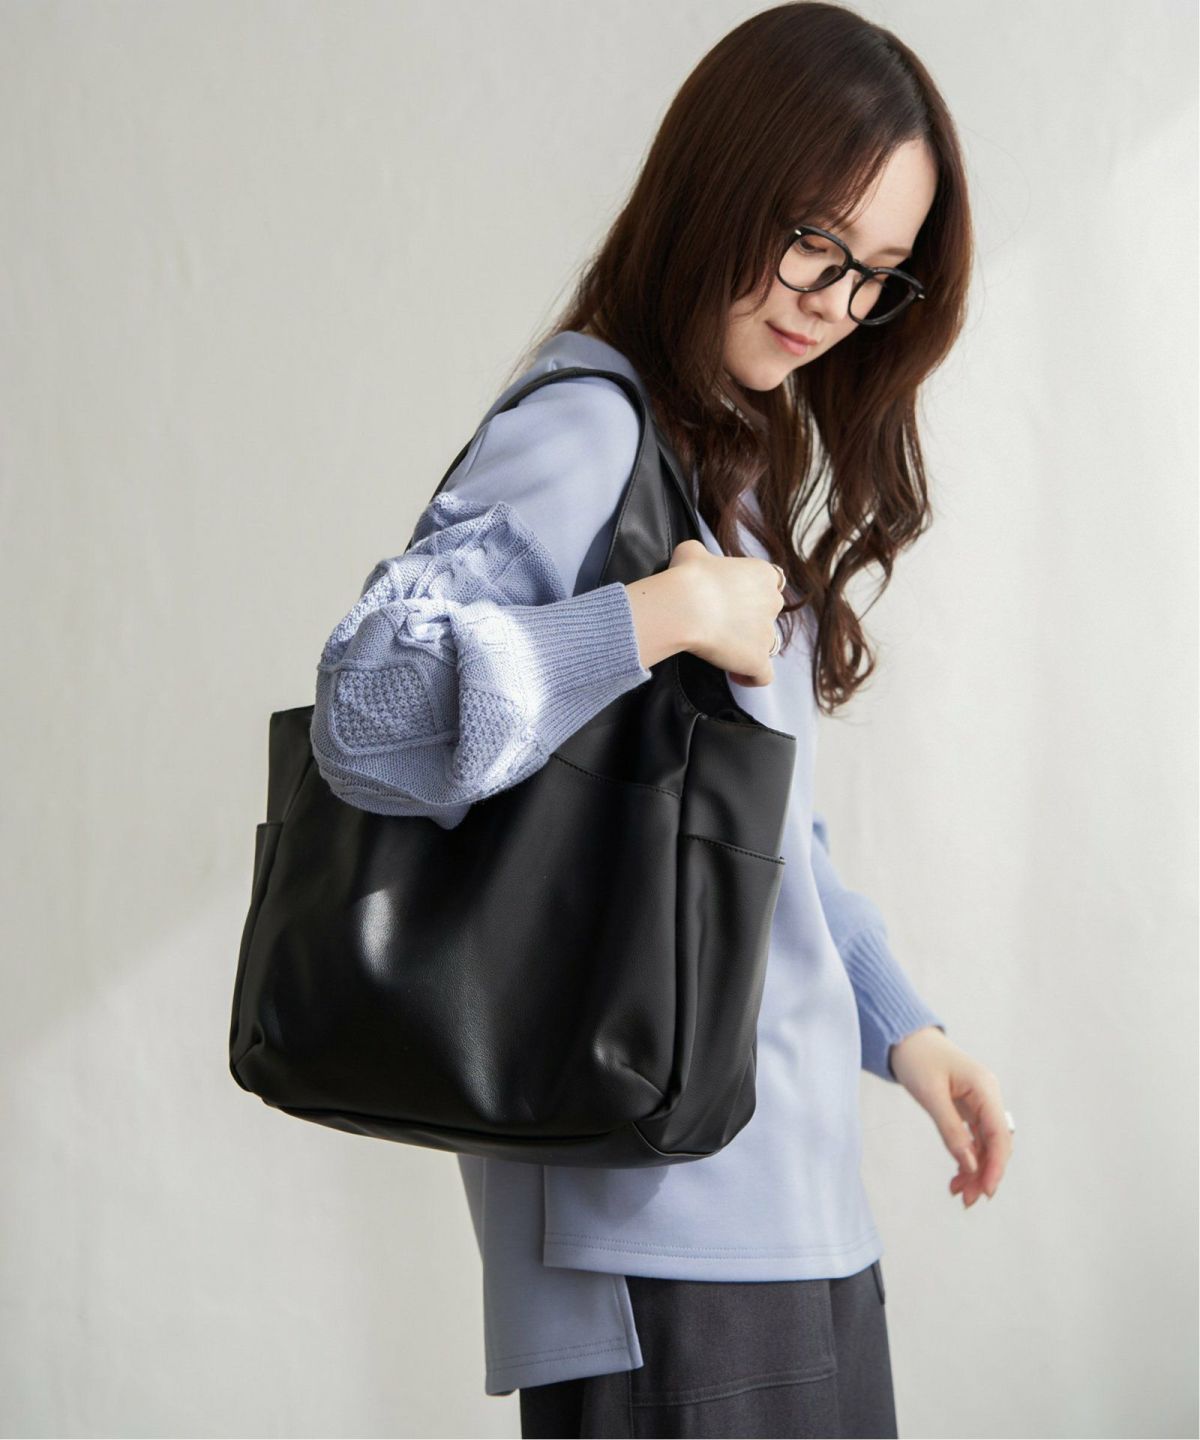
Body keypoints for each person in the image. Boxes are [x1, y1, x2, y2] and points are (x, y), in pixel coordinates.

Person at [309, 3, 1014, 1435]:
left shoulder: (721, 472)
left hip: (794, 1209)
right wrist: (661, 615)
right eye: (815, 241)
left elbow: (765, 843)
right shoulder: (588, 426)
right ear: (722, 183)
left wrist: (903, 1028)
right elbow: (367, 711)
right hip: (656, 1240)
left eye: (876, 275)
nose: (834, 301)